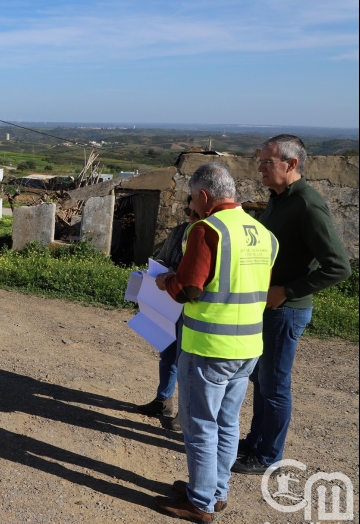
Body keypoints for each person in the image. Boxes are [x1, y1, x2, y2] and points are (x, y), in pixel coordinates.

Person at [153, 162, 277, 522]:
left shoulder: (207, 230)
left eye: (192, 198)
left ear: (204, 196)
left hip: (209, 348)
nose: (192, 205)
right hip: (249, 347)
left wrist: (167, 282)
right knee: (227, 422)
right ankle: (215, 491)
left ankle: (200, 502)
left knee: (200, 426)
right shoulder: (263, 233)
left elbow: (189, 287)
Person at [232, 135, 351, 475]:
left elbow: (339, 266)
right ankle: (255, 442)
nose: (260, 168)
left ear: (291, 164)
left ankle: (269, 457)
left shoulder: (307, 205)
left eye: (267, 162)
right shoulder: (277, 199)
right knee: (262, 380)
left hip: (286, 309)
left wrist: (288, 291)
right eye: (261, 161)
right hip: (268, 306)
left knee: (276, 384)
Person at [136, 198, 201, 432]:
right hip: (168, 301)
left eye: (195, 213)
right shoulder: (179, 232)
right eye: (188, 211)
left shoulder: (207, 235)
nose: (191, 217)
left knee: (186, 362)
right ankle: (163, 400)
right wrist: (157, 272)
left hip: (191, 306)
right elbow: (162, 258)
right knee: (167, 353)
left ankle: (184, 413)